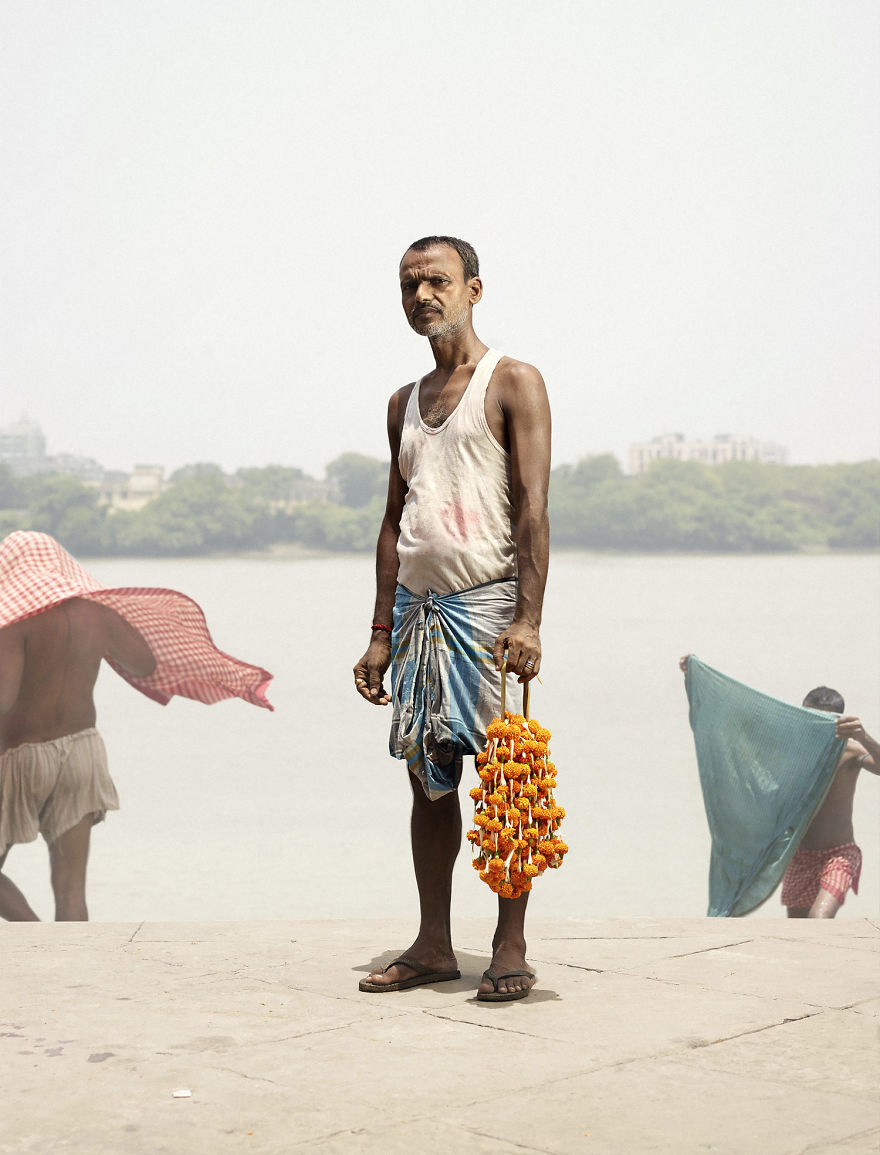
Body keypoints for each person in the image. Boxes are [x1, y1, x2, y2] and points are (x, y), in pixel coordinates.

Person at [353, 236, 551, 1001]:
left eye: (436, 280)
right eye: (409, 284)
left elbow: (533, 508)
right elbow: (393, 519)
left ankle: (510, 943)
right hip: (418, 616)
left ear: (474, 289)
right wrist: (378, 634)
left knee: (508, 777)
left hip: (489, 608)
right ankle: (434, 942)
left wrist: (530, 619)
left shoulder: (513, 382)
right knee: (427, 782)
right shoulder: (405, 401)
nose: (421, 295)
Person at [0, 530, 273, 921]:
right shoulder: (98, 614)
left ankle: (32, 930)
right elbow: (144, 664)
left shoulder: (14, 623)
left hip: (19, 756)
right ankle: (72, 959)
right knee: (70, 888)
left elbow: (4, 698)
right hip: (82, 752)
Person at [780, 686, 879, 918]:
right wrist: (691, 675)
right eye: (810, 717)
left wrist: (862, 735)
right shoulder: (792, 754)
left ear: (839, 721)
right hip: (800, 855)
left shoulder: (851, 751)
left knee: (819, 918)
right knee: (797, 929)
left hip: (839, 855)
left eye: (826, 719)